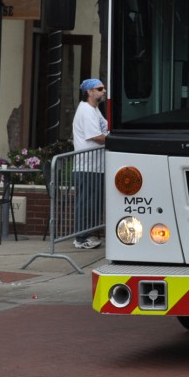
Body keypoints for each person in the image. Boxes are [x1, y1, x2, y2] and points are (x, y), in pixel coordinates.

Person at [72, 78, 108, 249]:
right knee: (86, 203)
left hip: (96, 167)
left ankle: (88, 234)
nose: (104, 91)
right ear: (89, 92)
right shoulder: (86, 110)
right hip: (87, 166)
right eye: (100, 89)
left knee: (93, 204)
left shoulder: (95, 110)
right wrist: (114, 139)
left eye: (103, 89)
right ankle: (81, 238)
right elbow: (97, 137)